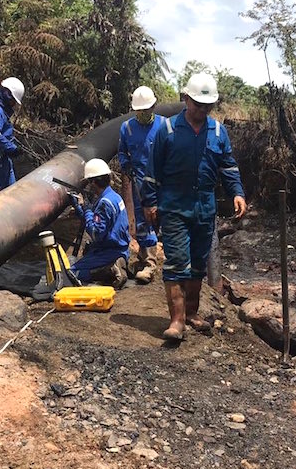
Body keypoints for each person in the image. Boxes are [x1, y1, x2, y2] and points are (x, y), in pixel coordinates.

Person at [142, 72, 247, 341]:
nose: (201, 110)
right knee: (177, 262)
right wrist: (150, 203)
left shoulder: (218, 132)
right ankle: (176, 321)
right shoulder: (167, 130)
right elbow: (152, 171)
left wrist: (237, 192)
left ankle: (191, 312)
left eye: (207, 105)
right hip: (175, 206)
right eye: (197, 104)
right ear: (186, 98)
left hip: (205, 208)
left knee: (198, 264)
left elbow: (228, 166)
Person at [118, 85, 164, 282]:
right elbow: (122, 151)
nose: (144, 114)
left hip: (162, 181)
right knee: (143, 221)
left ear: (153, 107)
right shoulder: (127, 128)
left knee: (165, 219)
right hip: (139, 182)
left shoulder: (164, 125)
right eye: (140, 111)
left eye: (147, 110)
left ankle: (173, 261)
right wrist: (125, 164)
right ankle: (148, 262)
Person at [70, 158, 131, 289]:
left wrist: (86, 209)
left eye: (89, 182)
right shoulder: (114, 196)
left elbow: (95, 233)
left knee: (73, 272)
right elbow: (94, 221)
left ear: (94, 182)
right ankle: (116, 262)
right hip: (120, 247)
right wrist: (81, 209)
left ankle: (109, 270)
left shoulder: (104, 204)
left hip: (109, 249)